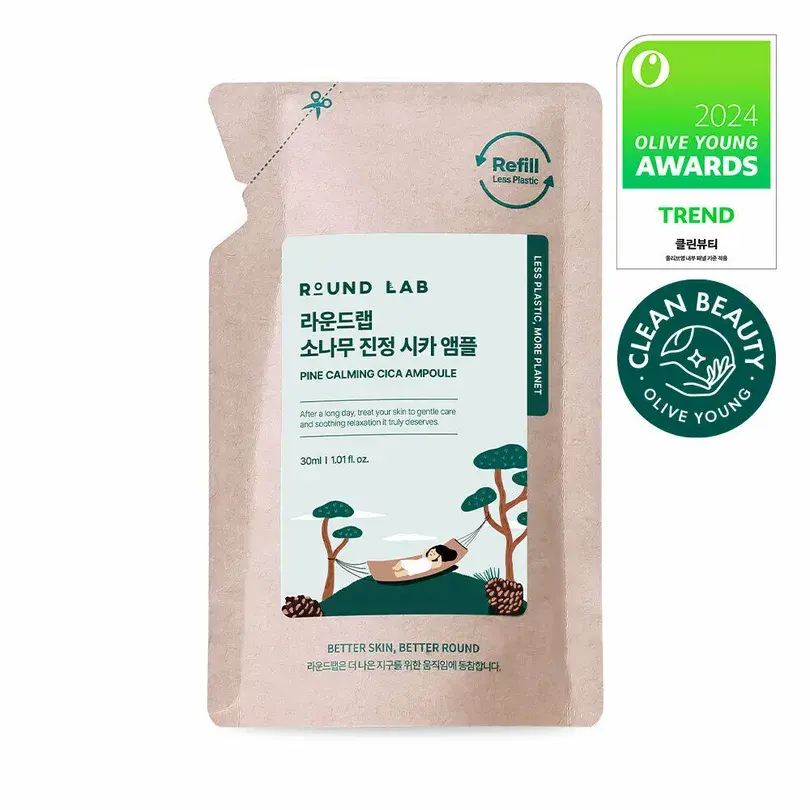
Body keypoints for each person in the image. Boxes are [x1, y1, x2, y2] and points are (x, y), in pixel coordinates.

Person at [392, 543, 458, 578]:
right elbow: (425, 551)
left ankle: (397, 574)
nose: (431, 553)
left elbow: (439, 564)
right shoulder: (425, 557)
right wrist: (429, 550)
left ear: (438, 557)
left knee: (406, 572)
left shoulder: (432, 564)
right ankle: (396, 568)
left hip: (417, 569)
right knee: (402, 562)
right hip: (414, 563)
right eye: (432, 551)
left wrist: (440, 557)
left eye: (434, 554)